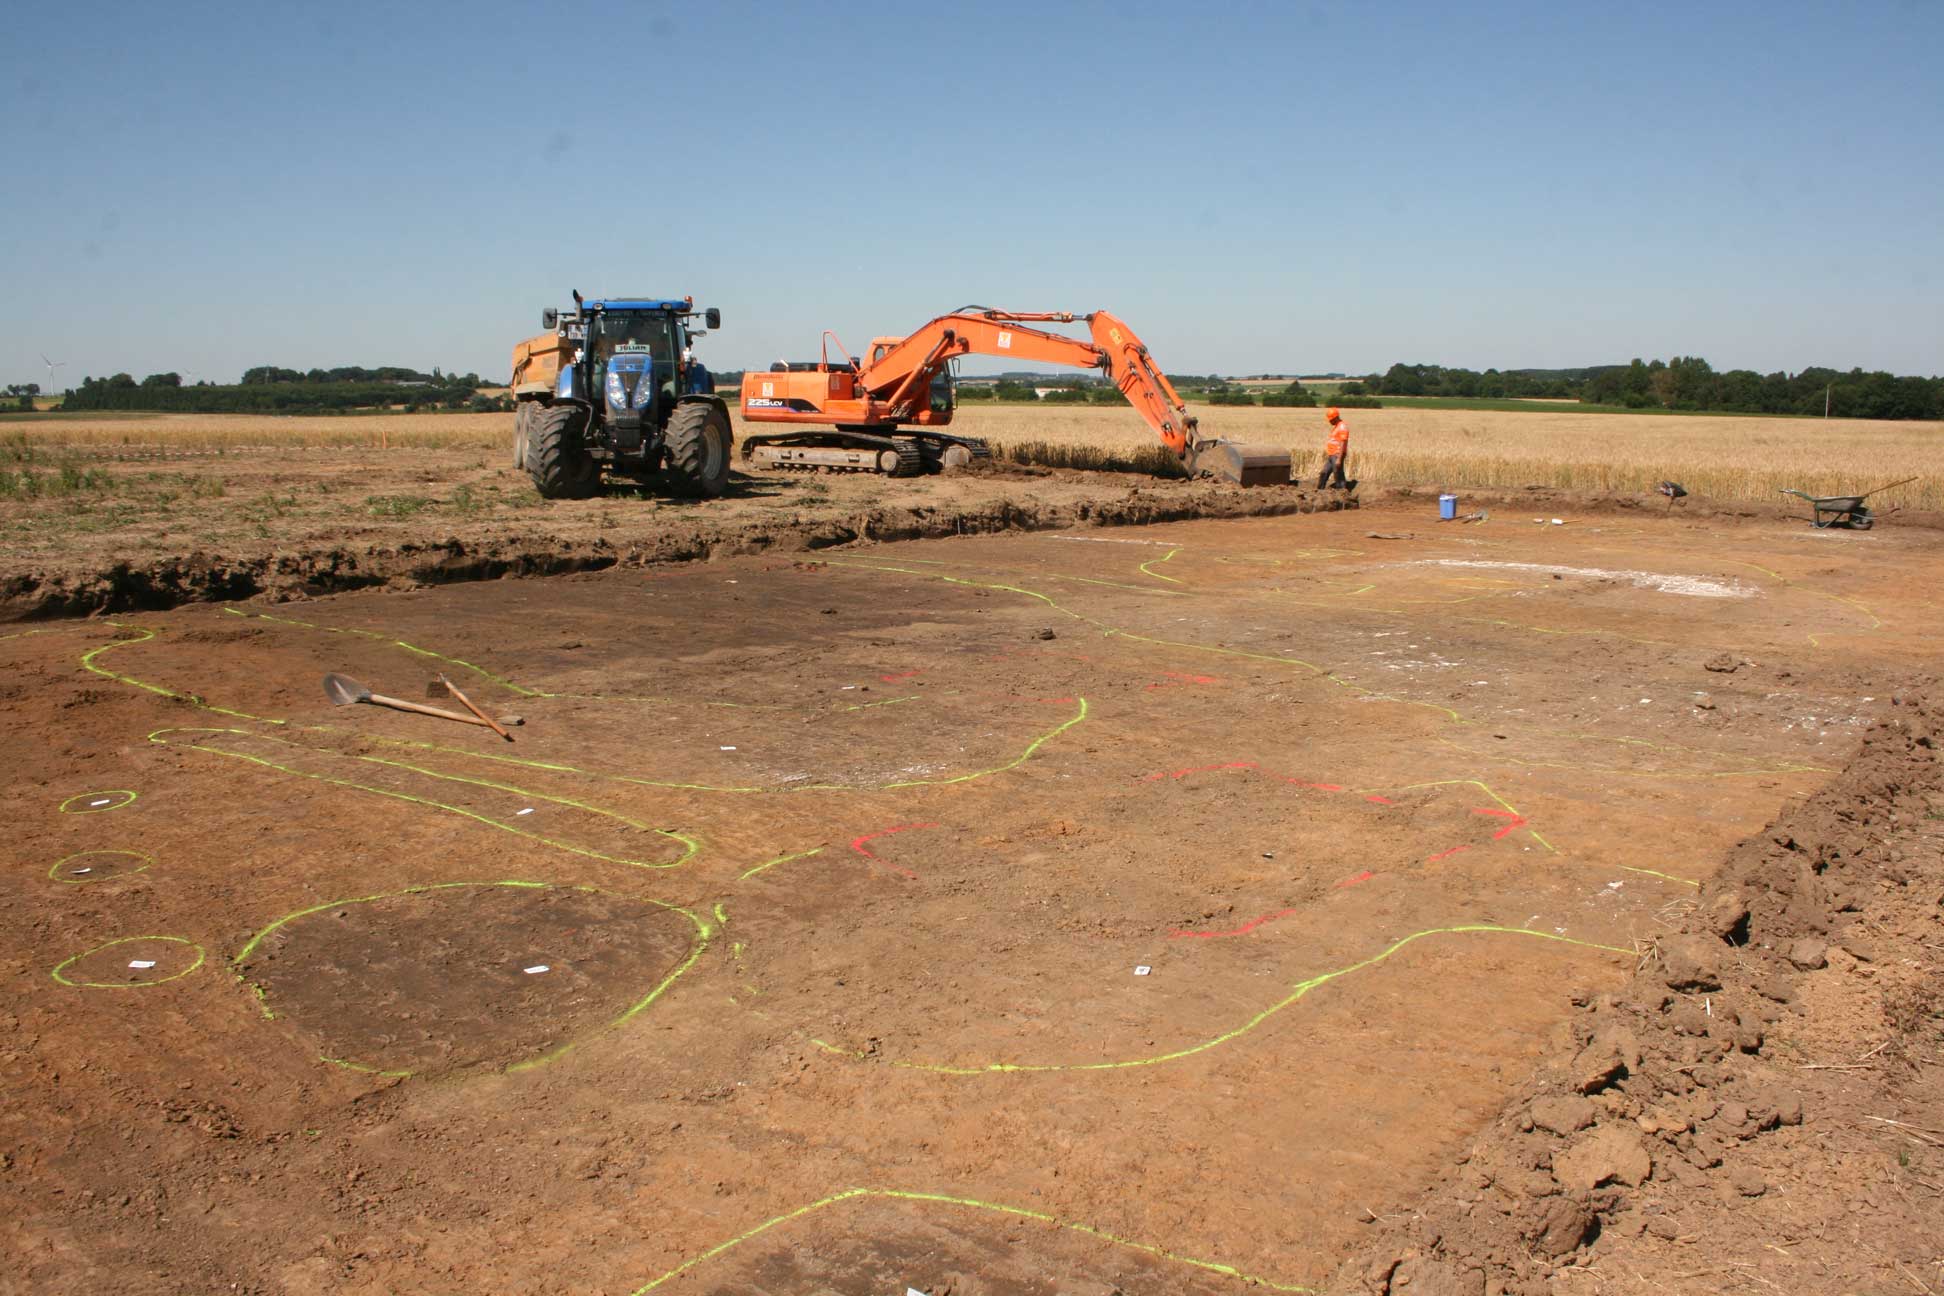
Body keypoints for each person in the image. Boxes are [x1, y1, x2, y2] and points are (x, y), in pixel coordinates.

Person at [1318, 406, 1354, 490]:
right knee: (1324, 472)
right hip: (1332, 455)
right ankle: (1319, 491)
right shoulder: (1337, 426)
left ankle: (1342, 492)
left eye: (1331, 420)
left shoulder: (1342, 427)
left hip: (1337, 455)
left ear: (1336, 418)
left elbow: (1343, 443)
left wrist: (1339, 459)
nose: (1329, 422)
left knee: (1338, 474)